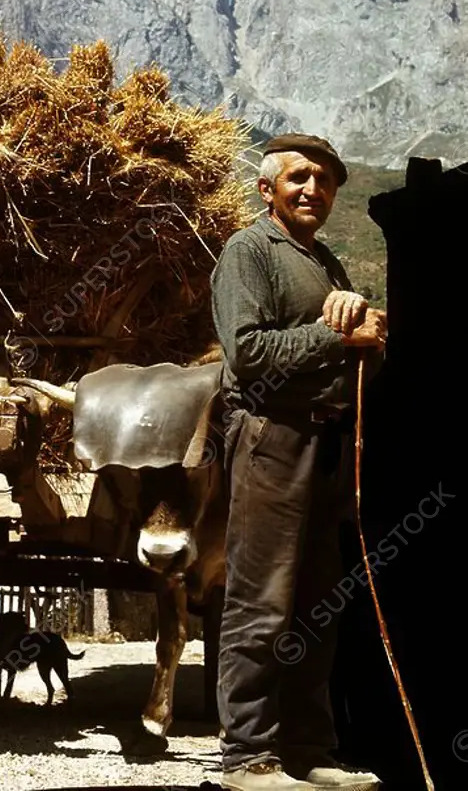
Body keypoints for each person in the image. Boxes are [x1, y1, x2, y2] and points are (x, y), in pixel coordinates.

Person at [210, 133, 386, 791]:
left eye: (326, 181)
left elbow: (356, 351)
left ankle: (311, 750)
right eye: (299, 178)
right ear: (267, 190)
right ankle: (246, 758)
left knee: (318, 604)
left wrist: (370, 331)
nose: (314, 189)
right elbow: (249, 355)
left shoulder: (328, 263)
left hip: (328, 446)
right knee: (261, 602)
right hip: (271, 438)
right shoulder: (249, 252)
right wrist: (339, 331)